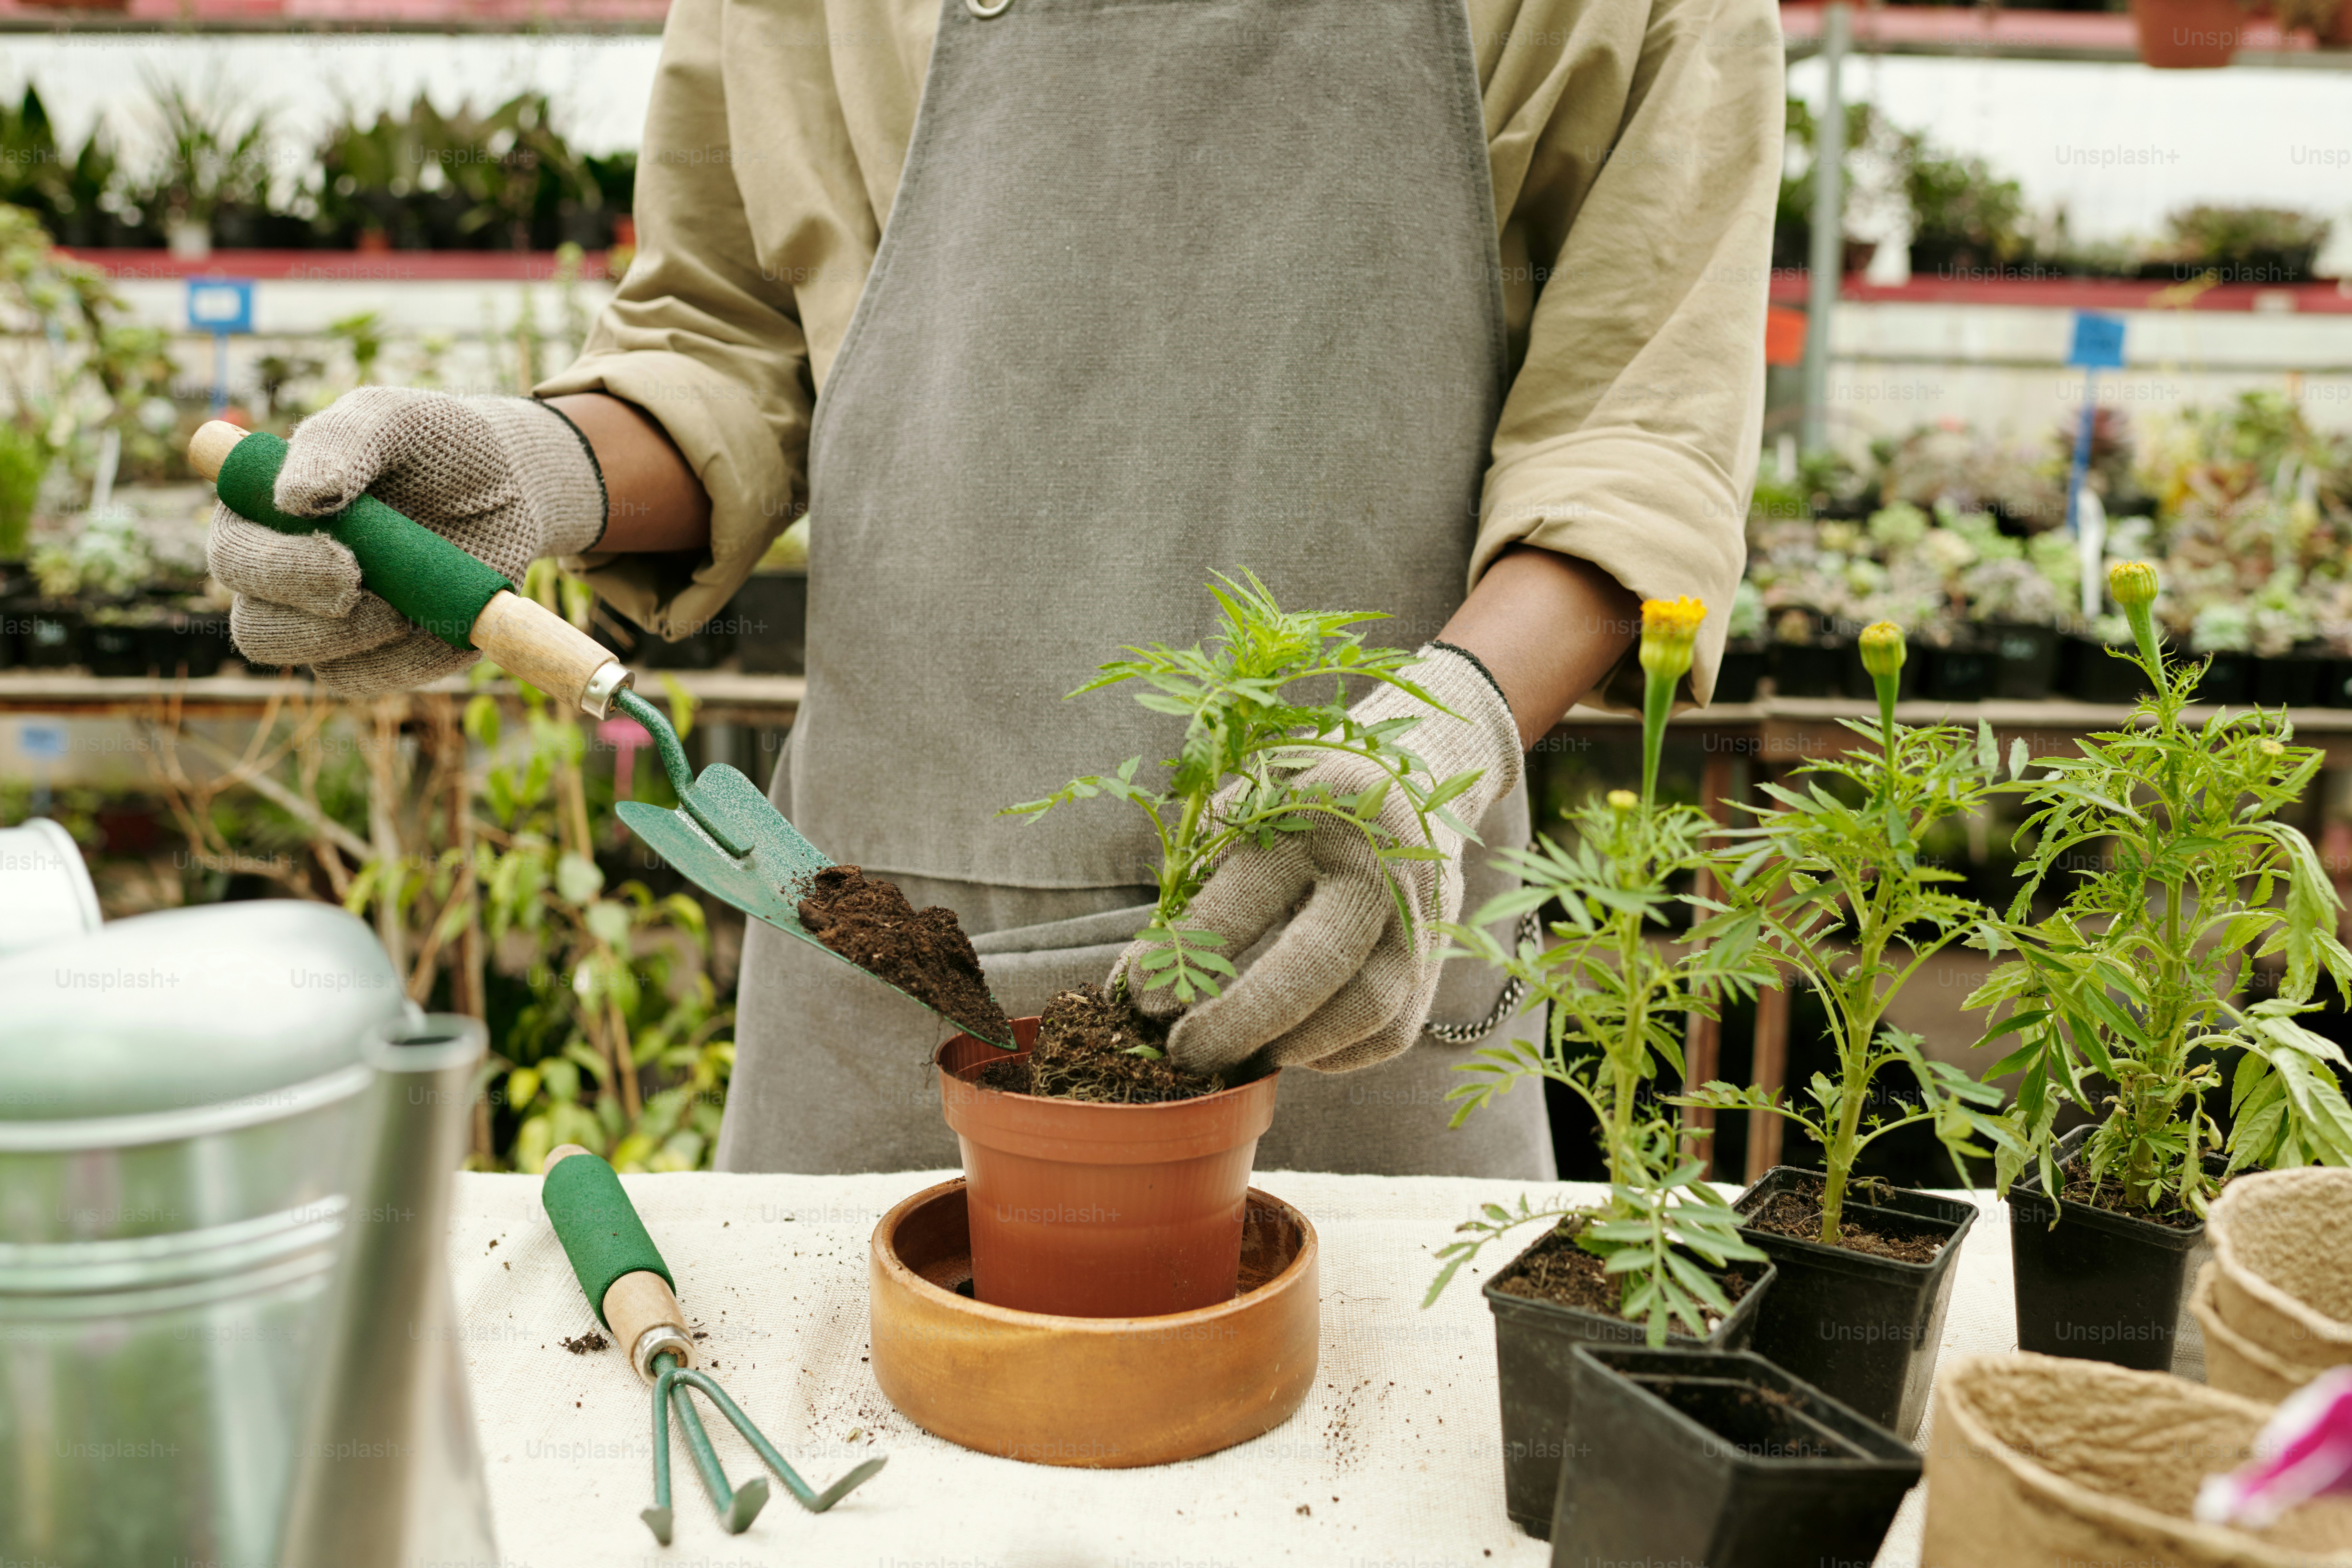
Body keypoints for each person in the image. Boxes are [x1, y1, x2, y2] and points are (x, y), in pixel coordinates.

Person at [209, 0, 1782, 1179]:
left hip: (1347, 949)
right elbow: (728, 341)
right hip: (888, 950)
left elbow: (1636, 433)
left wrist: (1432, 741)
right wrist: (531, 472)